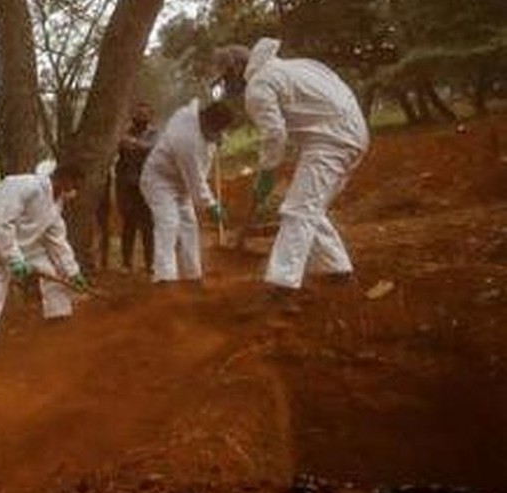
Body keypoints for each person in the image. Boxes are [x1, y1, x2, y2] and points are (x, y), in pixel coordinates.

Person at [215, 38, 369, 300]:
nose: (228, 85)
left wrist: (266, 172)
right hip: (352, 134)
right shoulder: (297, 66)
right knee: (310, 206)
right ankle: (336, 269)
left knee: (298, 210)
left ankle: (282, 286)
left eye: (226, 77)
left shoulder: (258, 86)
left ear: (237, 69)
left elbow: (275, 134)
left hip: (331, 141)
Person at [0, 162, 86, 374]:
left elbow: (57, 242)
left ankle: (58, 318)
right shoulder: (24, 185)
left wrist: (73, 272)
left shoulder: (56, 205)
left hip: (23, 244)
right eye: (75, 185)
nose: (75, 191)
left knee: (55, 271)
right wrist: (13, 260)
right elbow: (3, 224)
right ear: (63, 178)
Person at [140, 100, 234, 284]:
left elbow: (195, 174)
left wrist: (215, 138)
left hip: (180, 182)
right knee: (169, 223)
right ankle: (164, 278)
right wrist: (212, 206)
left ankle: (192, 275)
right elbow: (196, 182)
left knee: (189, 225)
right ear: (206, 122)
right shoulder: (186, 141)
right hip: (159, 181)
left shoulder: (189, 115)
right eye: (216, 130)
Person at [116, 102, 158, 272]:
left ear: (149, 117)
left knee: (148, 225)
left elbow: (151, 148)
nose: (141, 117)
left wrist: (134, 144)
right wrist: (134, 144)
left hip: (147, 185)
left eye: (144, 115)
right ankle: (126, 263)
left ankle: (150, 263)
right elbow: (121, 146)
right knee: (129, 224)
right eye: (138, 114)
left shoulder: (154, 133)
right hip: (127, 185)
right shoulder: (125, 133)